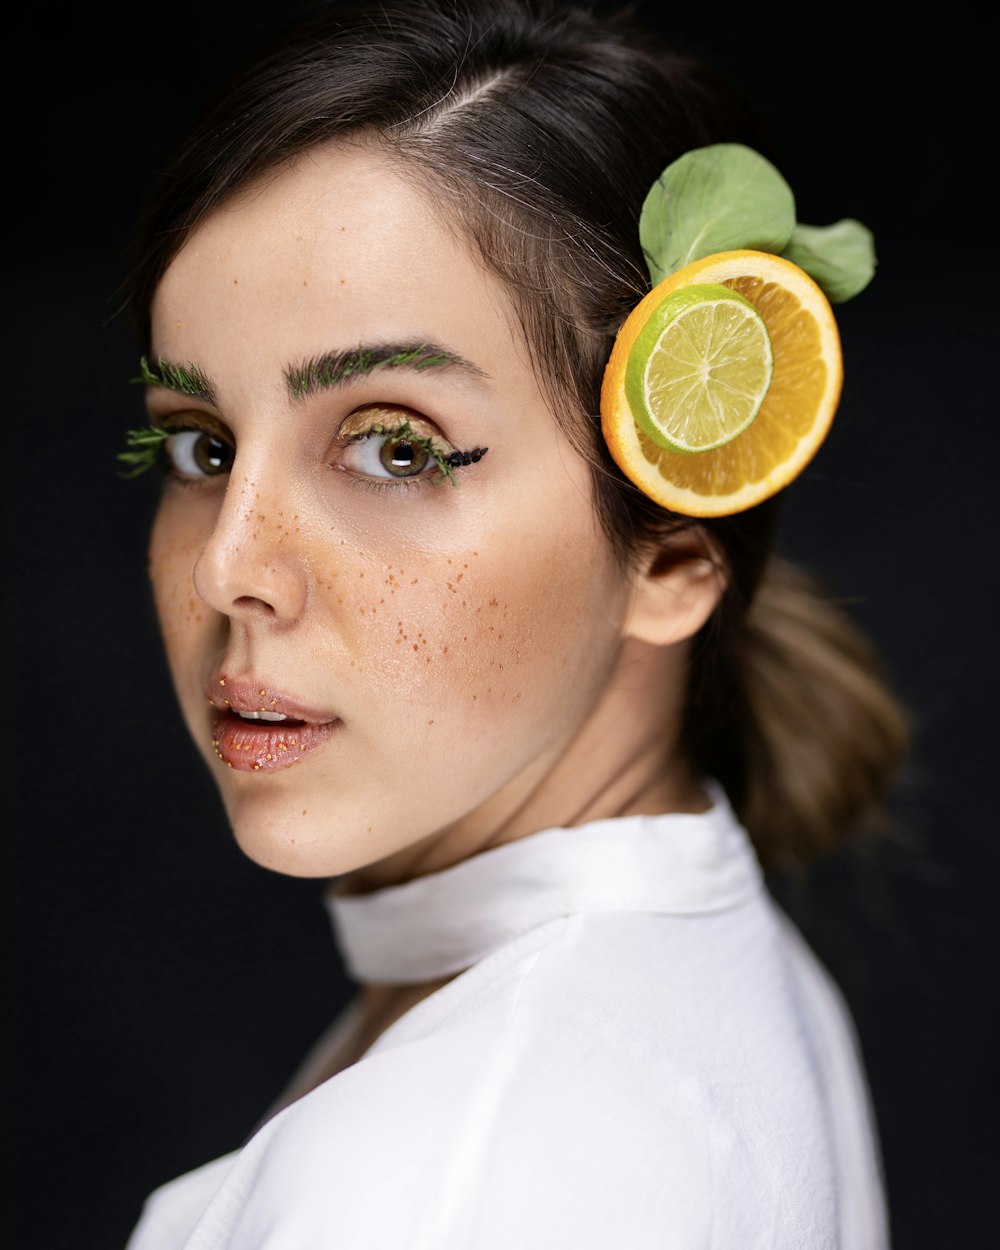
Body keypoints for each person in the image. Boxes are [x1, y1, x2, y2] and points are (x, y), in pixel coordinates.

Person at [118, 0, 909, 1245]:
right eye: (200, 442)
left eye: (392, 446)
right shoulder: (683, 981)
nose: (227, 567)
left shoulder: (455, 1168)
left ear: (671, 558)